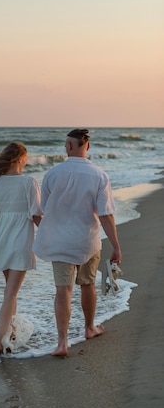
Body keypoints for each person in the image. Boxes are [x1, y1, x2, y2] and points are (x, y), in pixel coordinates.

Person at [33, 128, 122, 357]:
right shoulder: (100, 175)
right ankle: (89, 328)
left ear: (70, 146)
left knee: (62, 289)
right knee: (87, 284)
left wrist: (45, 231)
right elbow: (105, 214)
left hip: (59, 241)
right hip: (87, 241)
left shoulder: (53, 174)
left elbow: (40, 210)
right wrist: (116, 245)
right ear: (88, 146)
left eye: (66, 144)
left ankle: (62, 342)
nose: (65, 147)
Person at [0, 141, 42, 356]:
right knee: (10, 292)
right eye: (26, 158)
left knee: (10, 291)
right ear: (20, 159)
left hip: (1, 239)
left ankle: (10, 332)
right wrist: (50, 236)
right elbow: (35, 214)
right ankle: (0, 341)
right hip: (21, 239)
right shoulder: (29, 182)